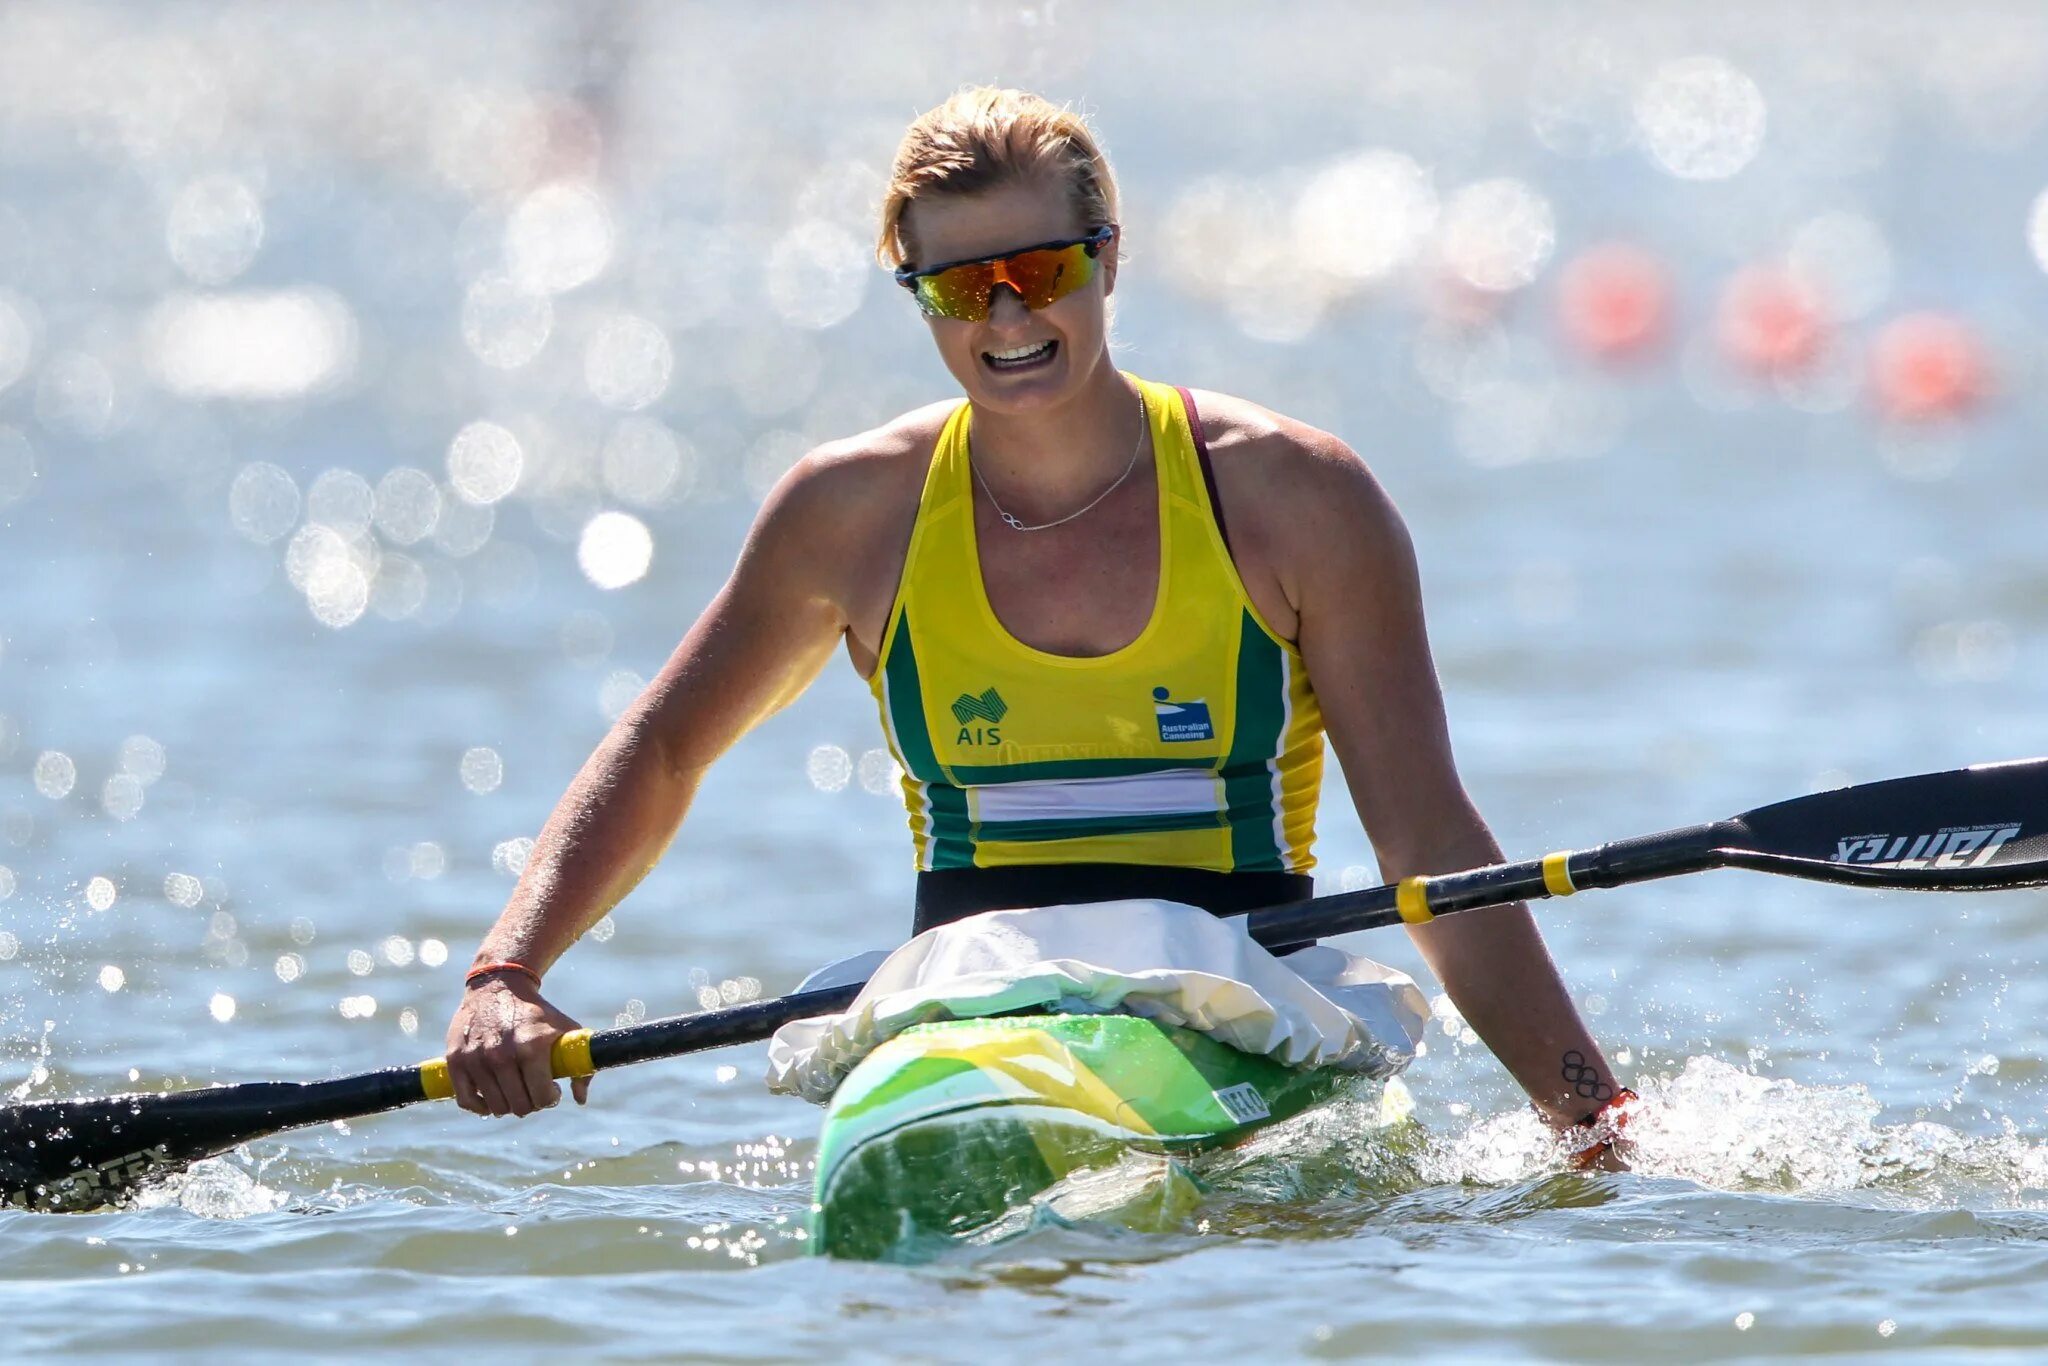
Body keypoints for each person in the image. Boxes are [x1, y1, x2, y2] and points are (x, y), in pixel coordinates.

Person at [443, 87, 1628, 1158]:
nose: (1006, 315)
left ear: (1107, 259)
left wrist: (1586, 1117)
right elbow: (663, 748)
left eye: (1041, 270)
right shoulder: (849, 513)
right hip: (964, 1002)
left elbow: (1426, 843)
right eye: (961, 287)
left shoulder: (1293, 498)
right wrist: (508, 971)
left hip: (1235, 997)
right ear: (917, 299)